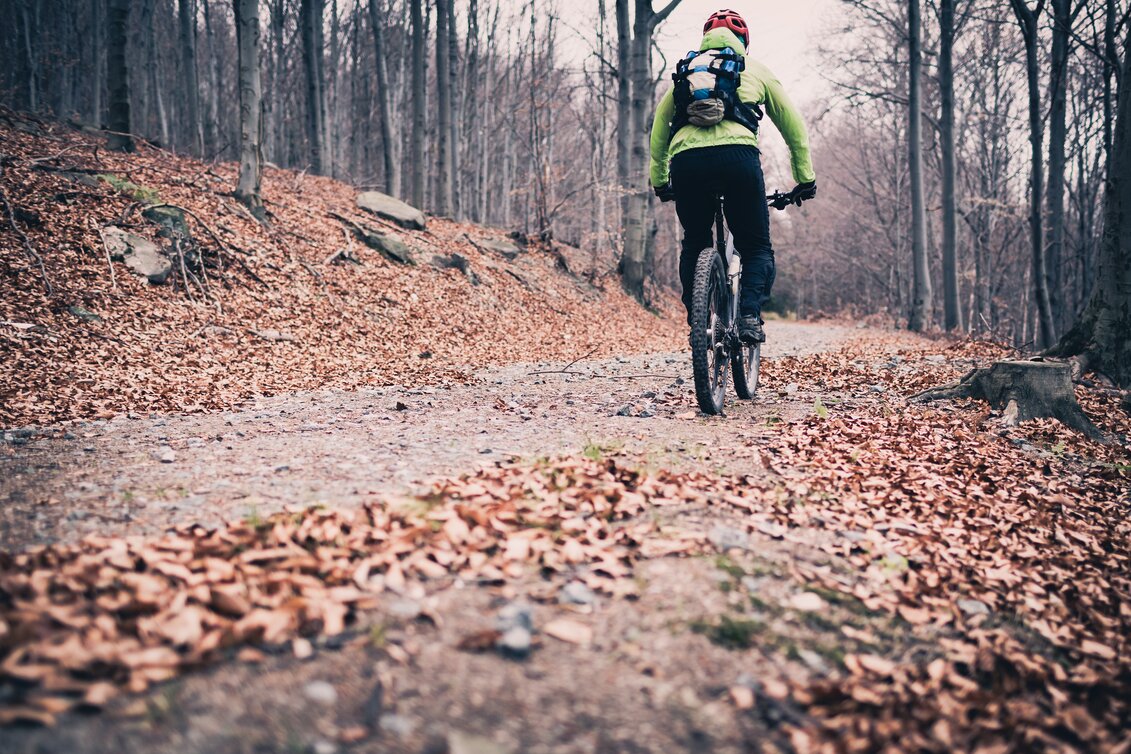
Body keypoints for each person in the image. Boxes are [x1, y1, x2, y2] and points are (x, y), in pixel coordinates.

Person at [649, 9, 816, 344]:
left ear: (705, 39)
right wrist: (804, 178)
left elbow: (658, 132)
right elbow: (793, 126)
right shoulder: (754, 69)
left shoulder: (686, 72)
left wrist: (660, 181)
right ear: (744, 42)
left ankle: (698, 321)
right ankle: (750, 317)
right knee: (755, 246)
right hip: (738, 160)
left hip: (687, 163)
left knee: (696, 241)